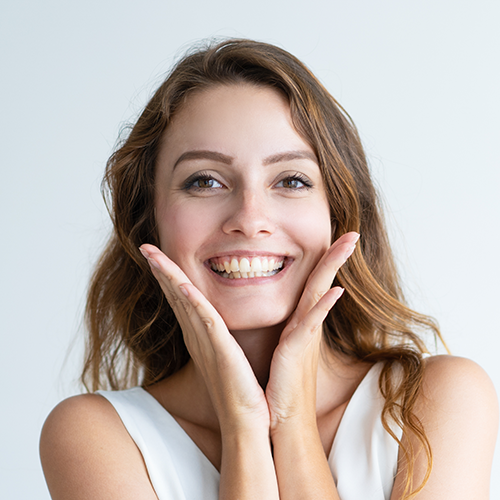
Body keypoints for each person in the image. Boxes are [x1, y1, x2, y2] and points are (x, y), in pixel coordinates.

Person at [40, 39, 498, 500]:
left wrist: (291, 421)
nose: (250, 218)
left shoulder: (439, 402)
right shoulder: (95, 436)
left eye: (291, 180)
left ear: (337, 214)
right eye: (204, 181)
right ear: (149, 221)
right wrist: (243, 424)